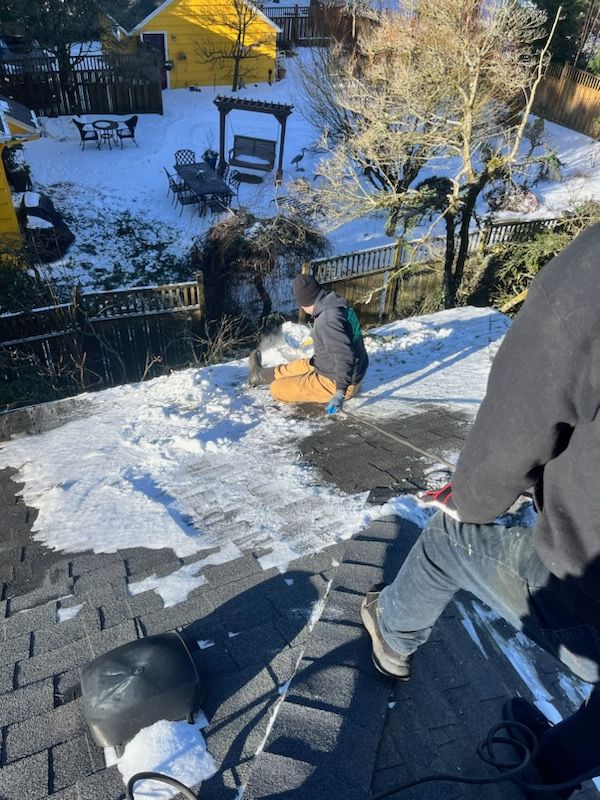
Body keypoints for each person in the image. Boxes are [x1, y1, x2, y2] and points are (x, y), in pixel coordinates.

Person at [361, 223, 600, 798]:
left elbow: (519, 417)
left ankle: (391, 639)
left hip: (589, 602)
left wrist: (470, 500)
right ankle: (552, 768)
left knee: (449, 539)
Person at [248, 274, 369, 414]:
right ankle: (259, 375)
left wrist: (340, 392)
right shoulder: (335, 304)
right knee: (302, 365)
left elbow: (344, 355)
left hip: (337, 382)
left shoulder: (328, 320)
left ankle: (275, 380)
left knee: (277, 389)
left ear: (302, 303)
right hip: (336, 369)